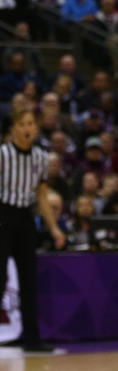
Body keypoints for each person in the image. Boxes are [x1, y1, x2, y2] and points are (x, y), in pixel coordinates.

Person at [0, 107, 66, 352]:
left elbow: (41, 196)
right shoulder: (3, 155)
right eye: (22, 124)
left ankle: (32, 339)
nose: (27, 128)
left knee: (29, 279)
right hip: (3, 215)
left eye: (31, 124)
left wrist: (54, 228)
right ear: (13, 129)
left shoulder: (40, 157)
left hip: (25, 218)